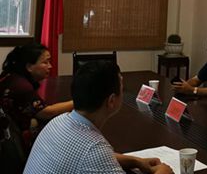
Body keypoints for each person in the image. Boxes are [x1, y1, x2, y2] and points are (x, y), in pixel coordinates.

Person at [24, 60, 173, 174]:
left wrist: (136, 161)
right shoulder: (94, 149)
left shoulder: (58, 121)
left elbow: (95, 157)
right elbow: (96, 156)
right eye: (122, 88)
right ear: (111, 101)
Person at [0, 43, 73, 152]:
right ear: (29, 67)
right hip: (12, 144)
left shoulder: (11, 76)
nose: (50, 66)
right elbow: (46, 112)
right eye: (45, 62)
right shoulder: (22, 86)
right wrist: (77, 102)